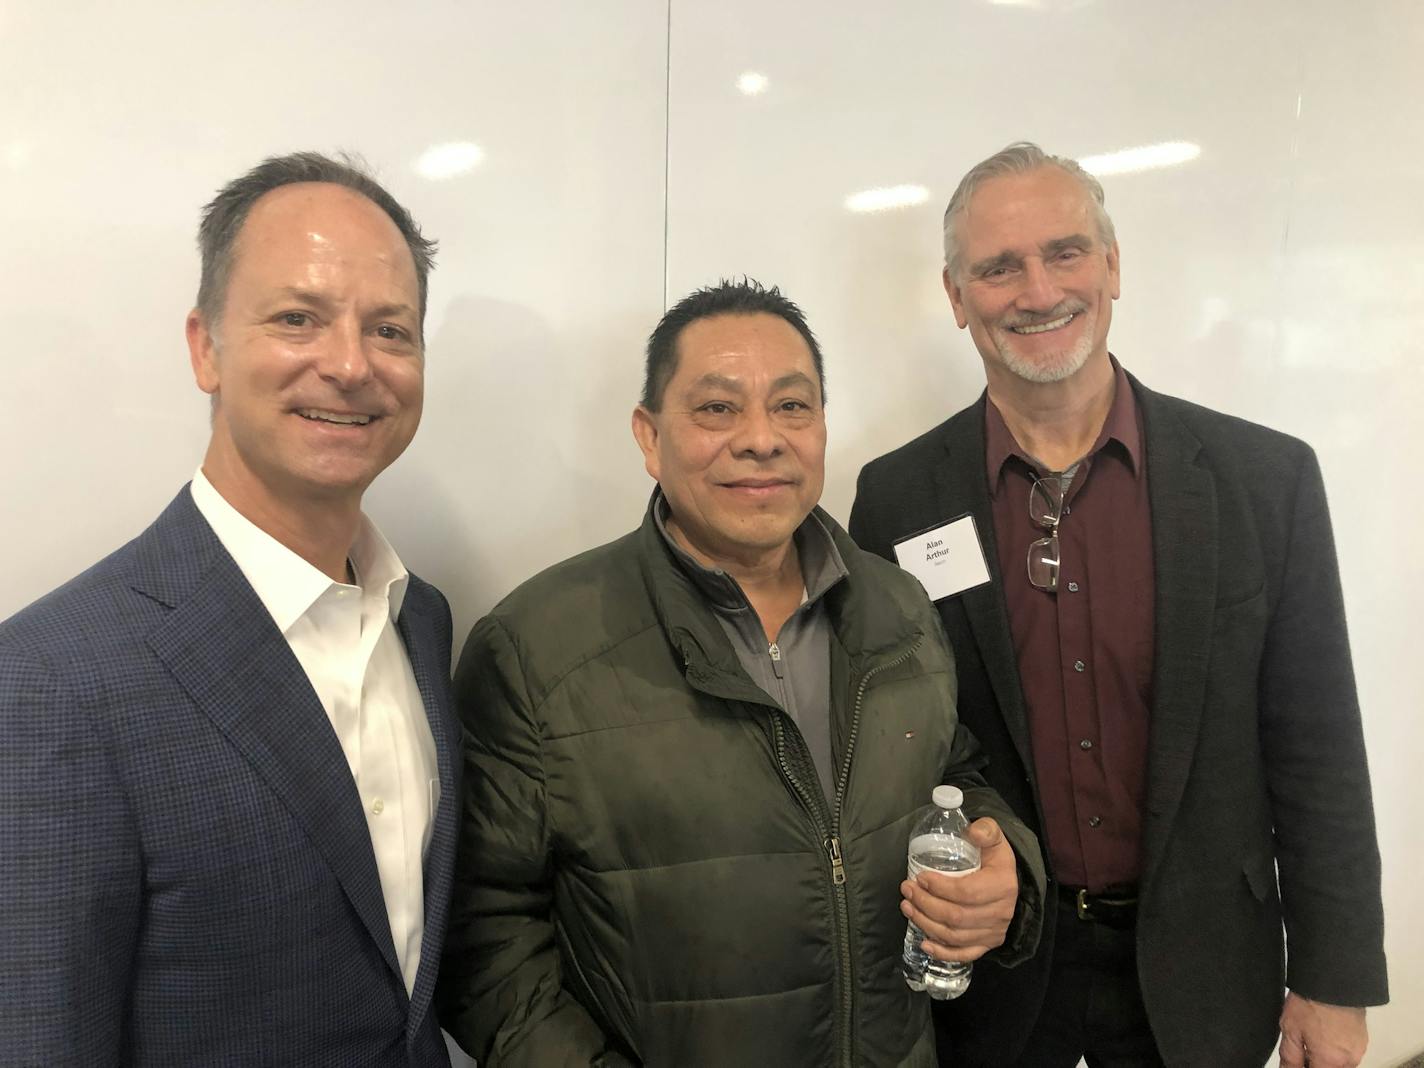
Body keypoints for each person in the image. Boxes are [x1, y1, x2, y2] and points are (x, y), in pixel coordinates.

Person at [849, 142, 1388, 1068]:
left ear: (1113, 266)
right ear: (955, 296)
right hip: (996, 981)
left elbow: (1317, 745)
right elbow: (892, 745)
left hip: (1208, 968)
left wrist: (1334, 981)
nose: (1036, 290)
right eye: (997, 267)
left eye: (1065, 252)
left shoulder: (1263, 481)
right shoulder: (897, 500)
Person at [438, 279, 1047, 1066]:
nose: (762, 438)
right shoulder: (536, 648)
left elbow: (954, 771)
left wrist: (1006, 875)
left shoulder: (897, 608)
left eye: (792, 406)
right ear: (649, 436)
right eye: (718, 408)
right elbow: (482, 934)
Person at [0, 152, 459, 1066]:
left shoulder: (423, 621)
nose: (350, 364)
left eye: (391, 330)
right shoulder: (52, 680)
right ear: (205, 346)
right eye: (298, 319)